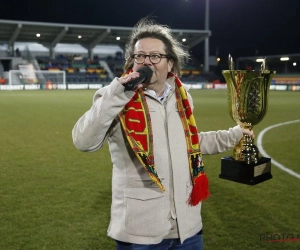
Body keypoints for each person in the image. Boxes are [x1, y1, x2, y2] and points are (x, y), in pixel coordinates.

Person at [72, 17, 253, 250]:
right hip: (140, 232)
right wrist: (118, 93)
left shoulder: (182, 96)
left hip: (187, 228)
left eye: (155, 56)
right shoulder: (114, 96)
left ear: (170, 63)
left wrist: (235, 134)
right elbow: (83, 142)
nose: (146, 61)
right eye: (140, 56)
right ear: (132, 61)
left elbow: (191, 143)